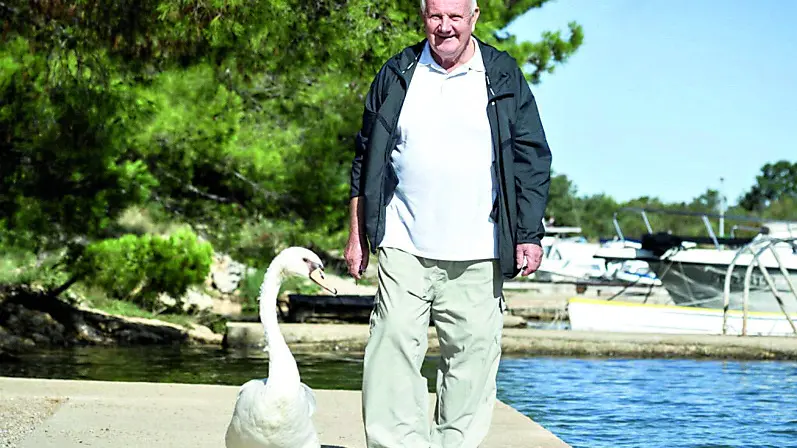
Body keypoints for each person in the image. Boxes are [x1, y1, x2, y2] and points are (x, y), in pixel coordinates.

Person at [344, 0, 552, 446]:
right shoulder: (398, 72)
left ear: (474, 18)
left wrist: (529, 234)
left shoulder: (502, 75)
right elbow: (365, 158)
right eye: (436, 16)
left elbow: (531, 157)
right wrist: (356, 232)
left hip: (480, 247)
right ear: (424, 18)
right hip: (404, 240)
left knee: (471, 361)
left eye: (455, 17)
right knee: (391, 348)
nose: (445, 27)